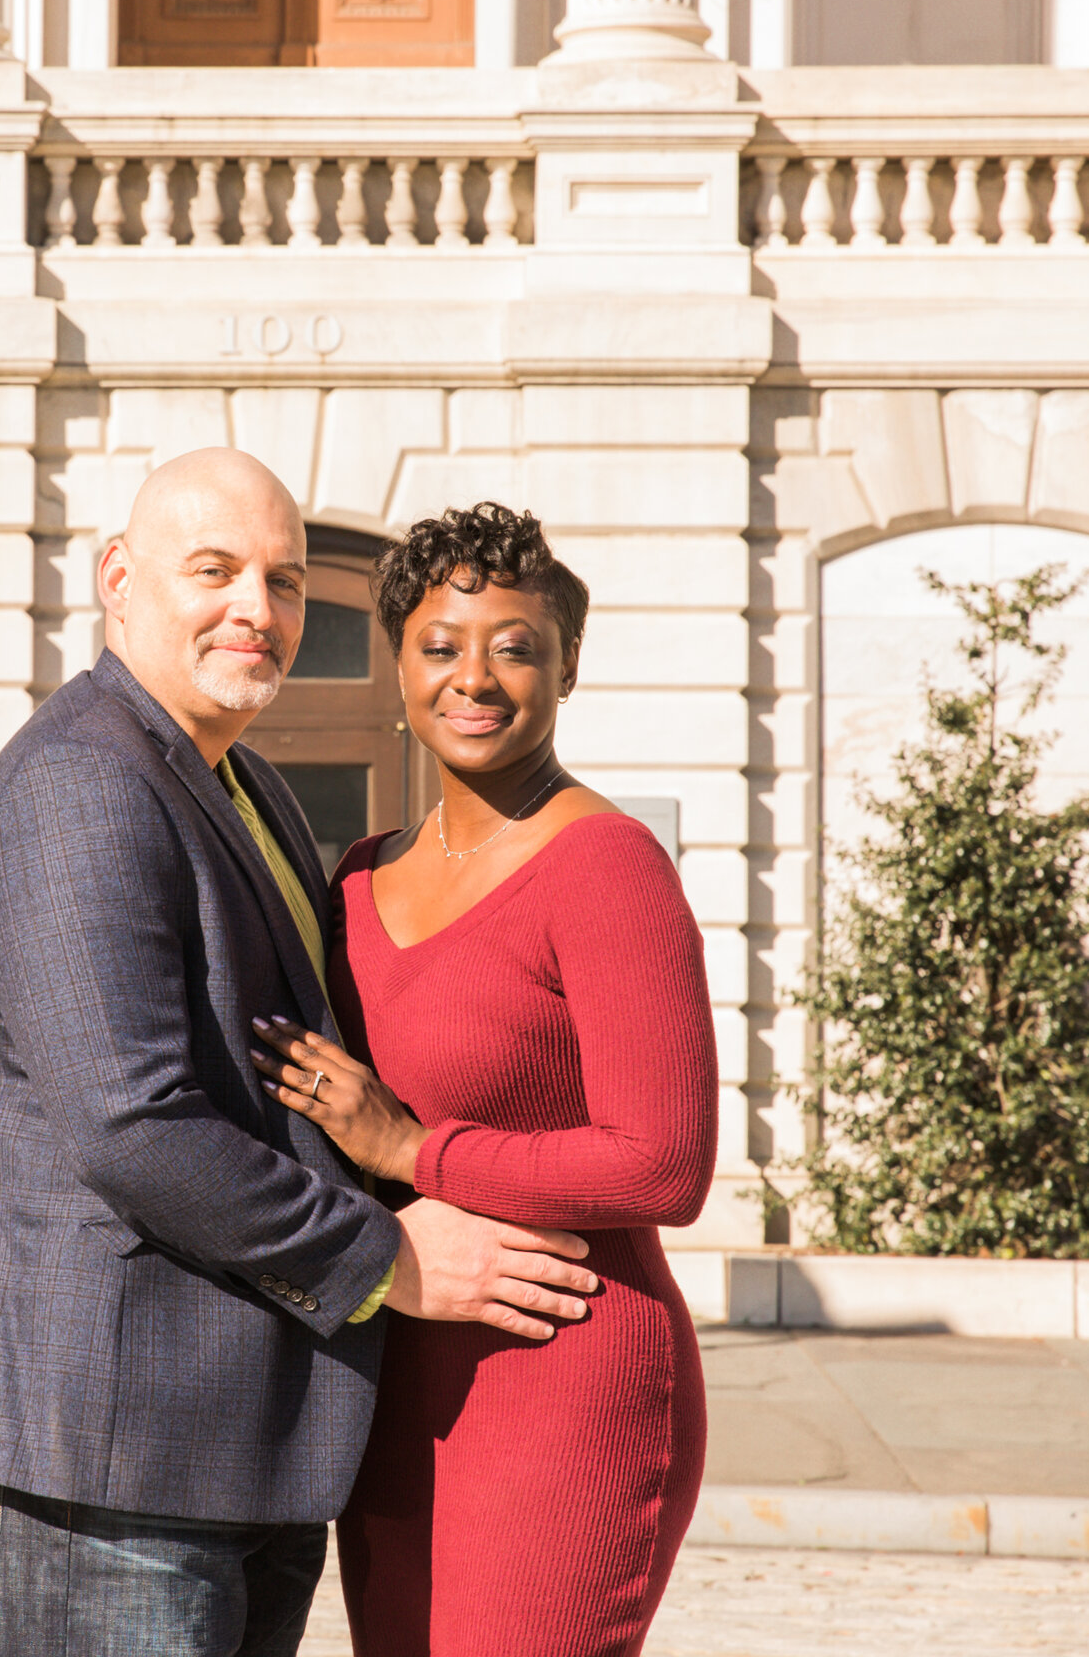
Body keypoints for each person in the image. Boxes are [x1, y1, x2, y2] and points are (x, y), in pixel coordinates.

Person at [0, 451, 605, 1657]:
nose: (259, 607)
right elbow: (132, 1126)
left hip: (234, 1446)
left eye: (285, 580)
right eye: (214, 570)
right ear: (118, 581)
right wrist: (387, 1255)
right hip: (117, 1459)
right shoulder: (82, 786)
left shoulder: (241, 782)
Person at [251, 501, 719, 1657]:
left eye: (515, 645)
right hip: (394, 1370)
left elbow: (663, 1161)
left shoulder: (606, 866)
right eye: (441, 645)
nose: (477, 677)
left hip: (563, 1369)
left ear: (567, 663)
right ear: (398, 660)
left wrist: (414, 1150)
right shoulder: (358, 877)